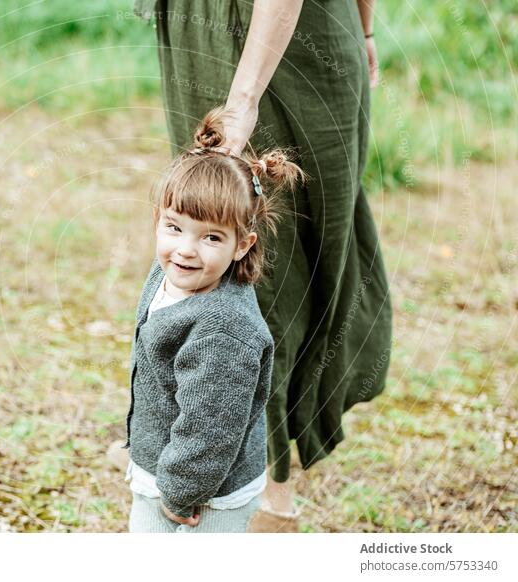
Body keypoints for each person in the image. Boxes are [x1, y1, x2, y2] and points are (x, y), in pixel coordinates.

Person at [115, 0, 393, 532]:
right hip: (221, 35)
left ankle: (255, 488)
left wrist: (244, 99)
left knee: (272, 263)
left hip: (265, 39)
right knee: (205, 234)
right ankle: (185, 446)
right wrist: (366, 26)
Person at [124, 108, 305, 533]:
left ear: (242, 245)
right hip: (162, 469)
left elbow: (211, 427)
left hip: (204, 498)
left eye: (211, 237)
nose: (186, 249)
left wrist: (181, 491)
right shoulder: (169, 275)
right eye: (174, 228)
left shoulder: (223, 330)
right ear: (158, 220)